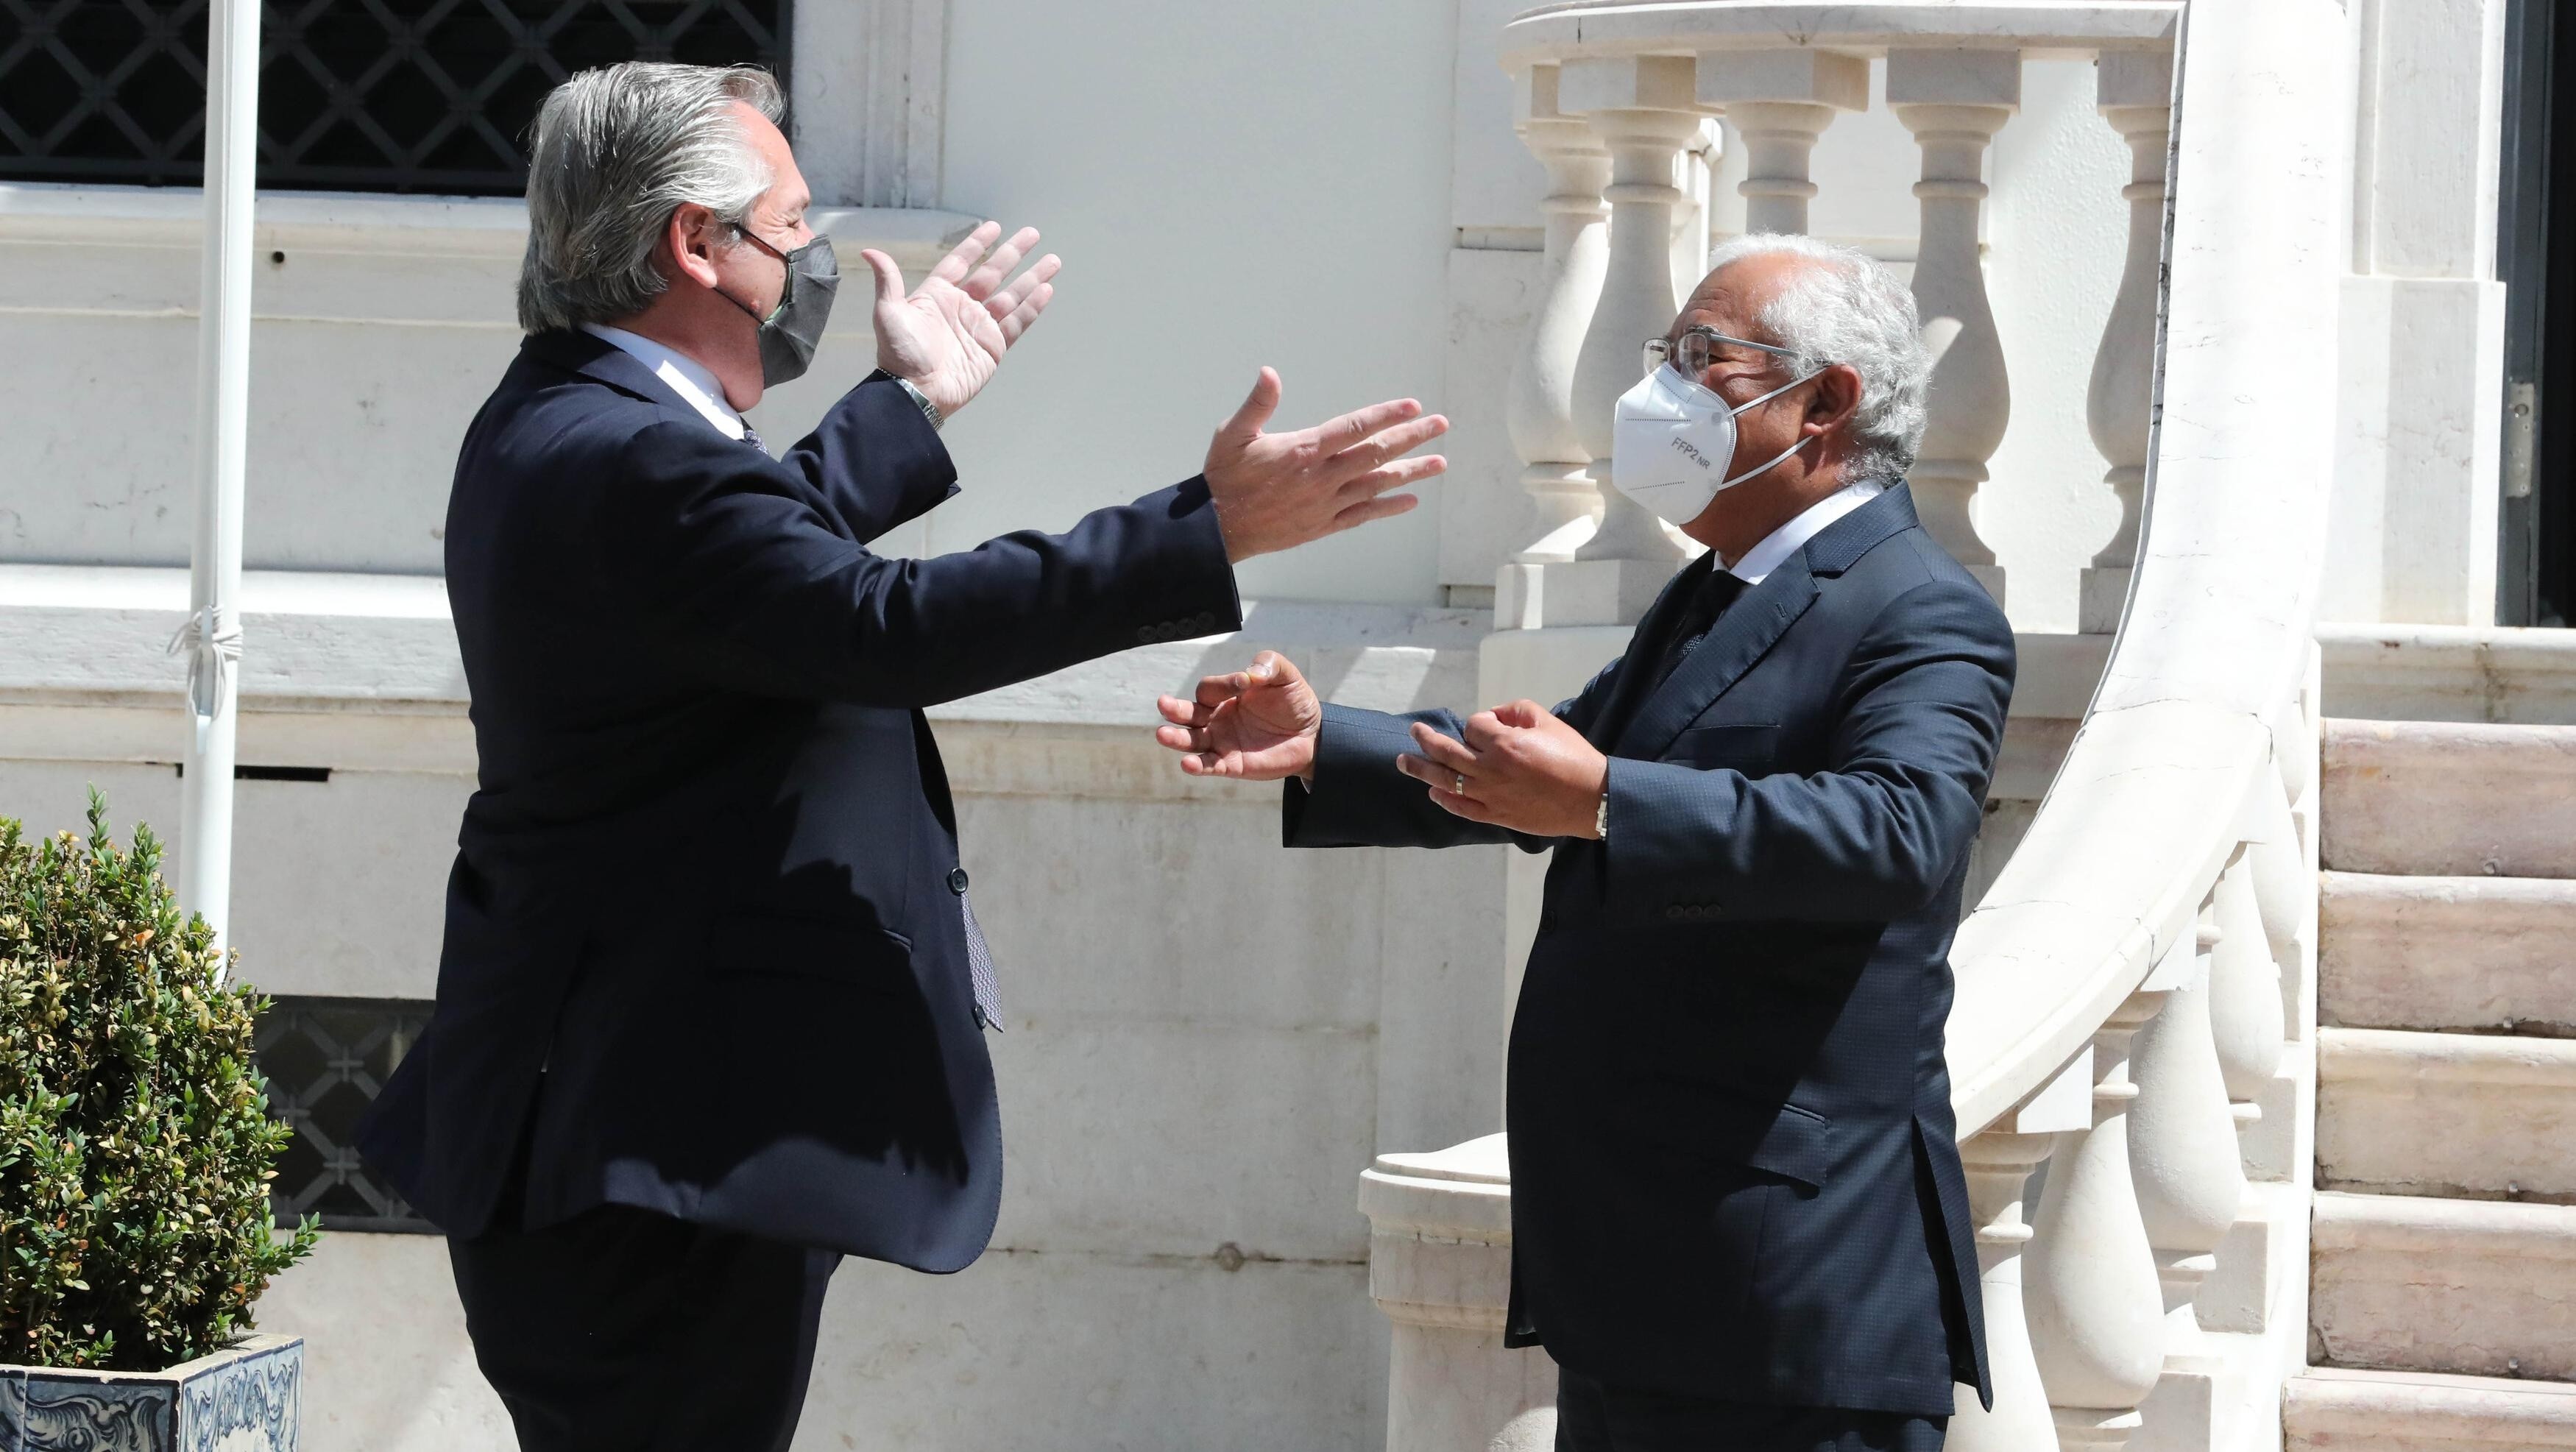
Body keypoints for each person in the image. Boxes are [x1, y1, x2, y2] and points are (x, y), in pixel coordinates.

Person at [354, 60, 1447, 1452]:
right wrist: (1205, 529)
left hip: (633, 1125)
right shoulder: (633, 458)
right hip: (645, 1147)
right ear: (696, 243)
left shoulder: (575, 420)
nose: (812, 258)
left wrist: (907, 403)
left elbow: (751, 580)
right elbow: (874, 625)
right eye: (792, 226)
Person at [1155, 233, 2014, 1452]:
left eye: (1703, 358)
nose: (1657, 387)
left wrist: (1611, 798)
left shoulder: (1920, 605)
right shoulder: (1718, 584)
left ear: (1825, 403)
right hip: (1646, 1278)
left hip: (1789, 1298)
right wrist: (1325, 743)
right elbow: (1545, 758)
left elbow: (1900, 830)